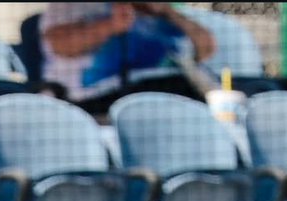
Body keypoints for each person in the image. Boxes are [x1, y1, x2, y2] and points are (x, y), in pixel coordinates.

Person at [40, 1, 218, 116]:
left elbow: (207, 49)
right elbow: (59, 44)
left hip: (180, 90)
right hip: (102, 97)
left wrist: (167, 11)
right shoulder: (72, 6)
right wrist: (111, 25)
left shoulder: (162, 13)